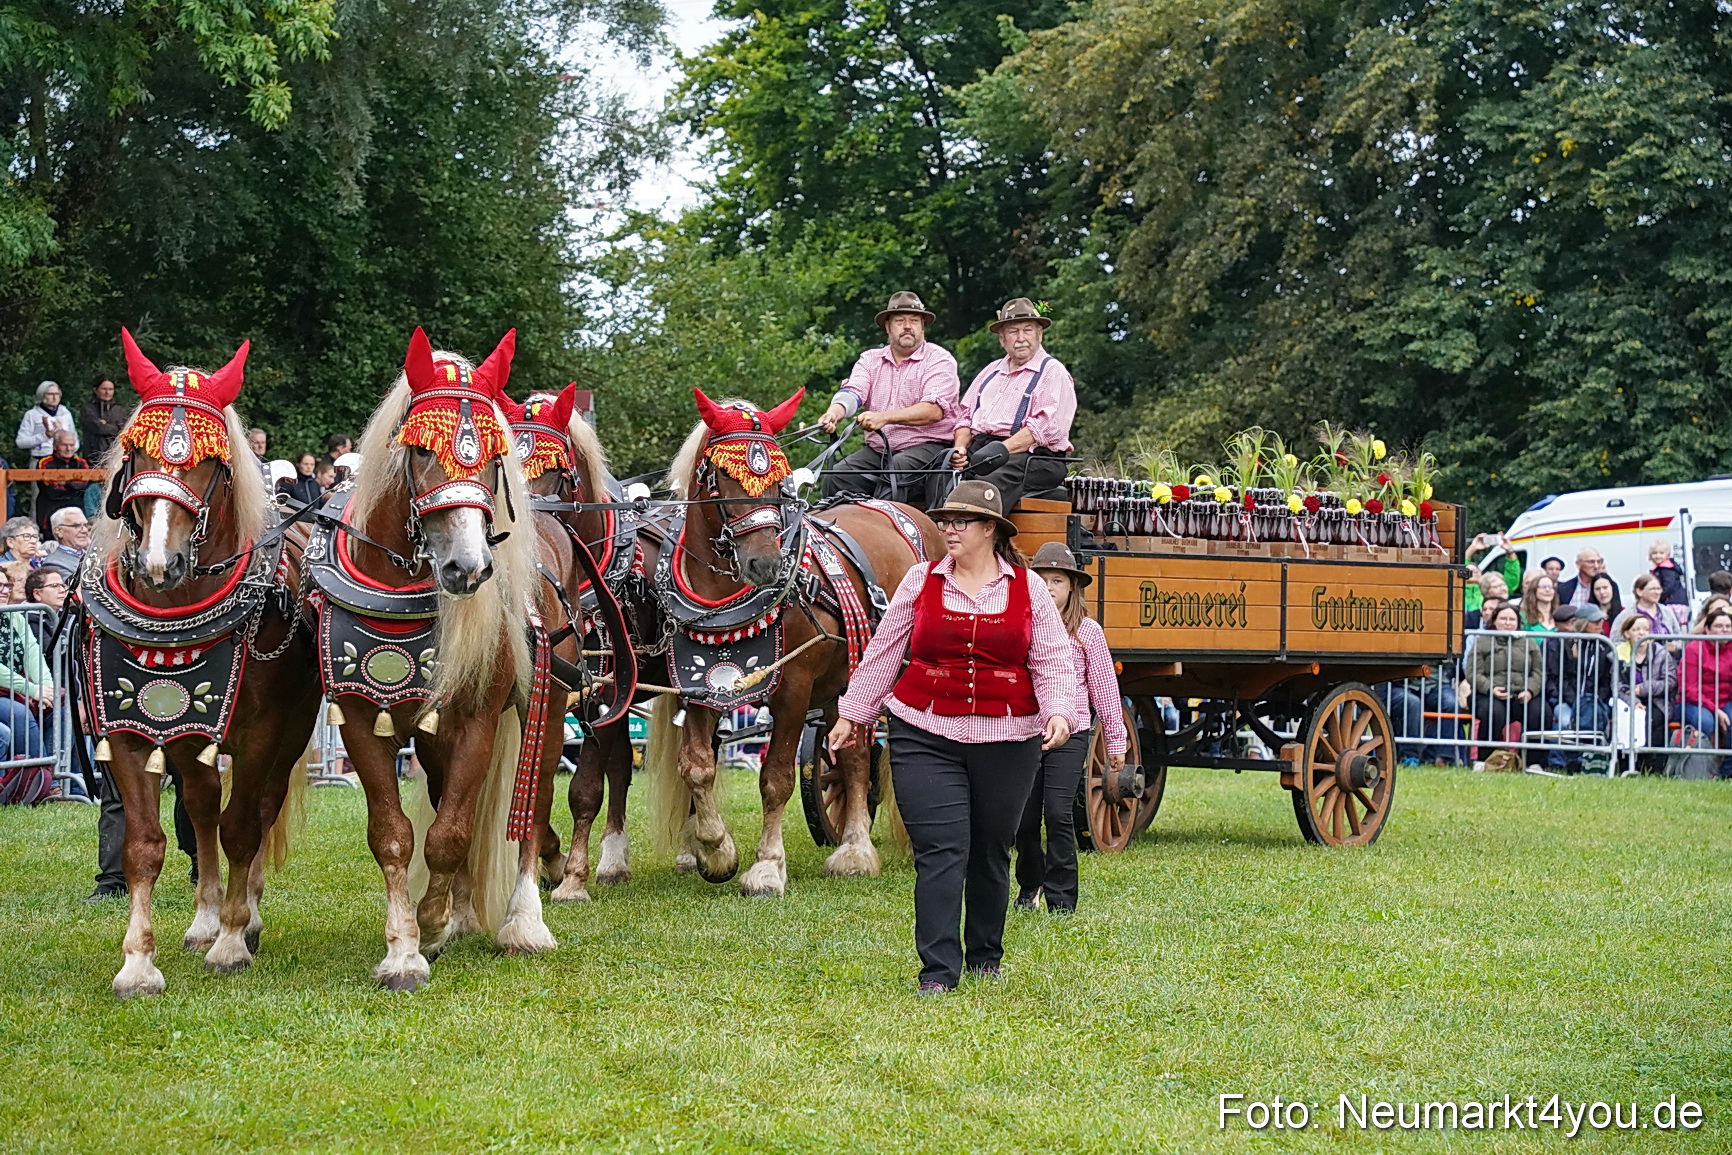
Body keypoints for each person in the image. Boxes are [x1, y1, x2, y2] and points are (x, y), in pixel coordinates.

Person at [827, 481, 1075, 994]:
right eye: (945, 521)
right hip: (924, 732)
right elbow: (884, 652)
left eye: (962, 521)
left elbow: (1052, 658)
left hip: (1008, 738)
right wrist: (852, 713)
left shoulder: (1029, 588)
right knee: (941, 849)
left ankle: (985, 956)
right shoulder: (920, 581)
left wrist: (1059, 711)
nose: (949, 529)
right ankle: (938, 971)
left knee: (990, 848)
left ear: (990, 530)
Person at [1014, 543, 1124, 914]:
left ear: (1072, 587)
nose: (1048, 588)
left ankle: (1061, 899)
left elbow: (1105, 690)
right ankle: (1029, 886)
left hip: (1070, 733)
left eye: (1057, 581)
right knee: (1024, 820)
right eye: (1041, 580)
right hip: (1027, 732)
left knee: (1058, 813)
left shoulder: (1087, 632)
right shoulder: (1022, 626)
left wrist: (1116, 742)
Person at [818, 291, 961, 506]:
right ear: (887, 327)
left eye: (914, 321)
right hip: (879, 451)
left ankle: (880, 526)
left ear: (923, 326)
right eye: (900, 321)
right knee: (837, 476)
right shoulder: (870, 359)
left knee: (896, 470)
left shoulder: (939, 359)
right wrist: (833, 413)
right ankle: (837, 528)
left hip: (929, 447)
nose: (907, 326)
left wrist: (884, 417)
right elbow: (853, 392)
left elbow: (933, 410)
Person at [948, 298, 1077, 513]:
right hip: (982, 451)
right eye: (1013, 331)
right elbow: (965, 416)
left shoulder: (1053, 372)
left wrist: (998, 452)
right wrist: (960, 449)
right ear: (1002, 339)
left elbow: (1042, 428)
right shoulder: (990, 371)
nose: (1021, 338)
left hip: (1034, 457)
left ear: (1039, 334)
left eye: (1027, 330)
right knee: (938, 475)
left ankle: (979, 529)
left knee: (983, 488)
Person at [1464, 600, 1545, 761]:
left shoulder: (1529, 643)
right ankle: (1484, 759)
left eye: (1512, 619)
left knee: (1540, 712)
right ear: (1494, 621)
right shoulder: (1482, 641)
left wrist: (1529, 690)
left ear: (1518, 622)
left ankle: (1534, 761)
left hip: (1520, 694)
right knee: (1494, 712)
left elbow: (1538, 672)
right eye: (1503, 619)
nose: (1508, 623)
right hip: (1487, 694)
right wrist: (1490, 688)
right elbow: (1473, 672)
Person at [1676, 607, 1732, 777]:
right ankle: (1702, 770)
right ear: (1707, 629)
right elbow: (1690, 689)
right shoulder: (1694, 648)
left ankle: (1728, 771)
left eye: (1728, 626)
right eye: (1719, 626)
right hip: (1694, 701)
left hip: (1725, 700)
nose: (1725, 630)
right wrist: (1716, 710)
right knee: (1705, 722)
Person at [1617, 613, 1677, 773]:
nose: (1641, 633)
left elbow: (1670, 681)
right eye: (1636, 629)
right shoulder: (1618, 653)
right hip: (1628, 700)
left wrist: (1642, 689)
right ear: (1627, 633)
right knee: (1628, 718)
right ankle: (1626, 764)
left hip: (1658, 701)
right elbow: (1616, 685)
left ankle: (1647, 765)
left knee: (1648, 720)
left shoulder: (1661, 654)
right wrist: (1634, 700)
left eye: (1645, 629)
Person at [35, 430, 90, 534]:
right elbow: (51, 490)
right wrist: (73, 485)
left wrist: (66, 483)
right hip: (51, 510)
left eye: (71, 445)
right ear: (55, 445)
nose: (68, 449)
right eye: (64, 445)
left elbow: (83, 486)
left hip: (76, 509)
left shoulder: (81, 463)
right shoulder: (45, 463)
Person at [14, 380, 77, 468]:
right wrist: (45, 436)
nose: (54, 397)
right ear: (42, 395)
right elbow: (21, 442)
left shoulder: (65, 413)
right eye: (50, 394)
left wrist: (63, 436)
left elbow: (75, 439)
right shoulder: (32, 415)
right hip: (40, 459)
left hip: (64, 461)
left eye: (57, 394)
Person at [1613, 573, 1688, 644]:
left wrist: (1675, 646)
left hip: (1666, 653)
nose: (1657, 592)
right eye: (1653, 589)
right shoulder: (1627, 615)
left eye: (1659, 589)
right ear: (1639, 591)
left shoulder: (1666, 612)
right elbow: (1615, 641)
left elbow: (1679, 637)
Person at [80, 375, 123, 461]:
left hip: (116, 457)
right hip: (93, 458)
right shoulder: (88, 409)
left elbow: (124, 430)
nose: (107, 392)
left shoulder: (119, 410)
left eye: (110, 389)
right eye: (104, 389)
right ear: (95, 390)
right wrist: (115, 426)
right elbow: (99, 428)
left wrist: (106, 425)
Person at [36, 507, 88, 575]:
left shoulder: (93, 554)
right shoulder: (54, 564)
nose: (84, 530)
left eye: (85, 525)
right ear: (59, 531)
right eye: (76, 526)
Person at [1648, 539, 1688, 606]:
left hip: (1673, 603)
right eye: (1654, 553)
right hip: (1673, 601)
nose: (1658, 556)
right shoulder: (1661, 569)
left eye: (1661, 553)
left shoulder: (1667, 569)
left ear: (1667, 555)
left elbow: (1668, 587)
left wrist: (1658, 597)